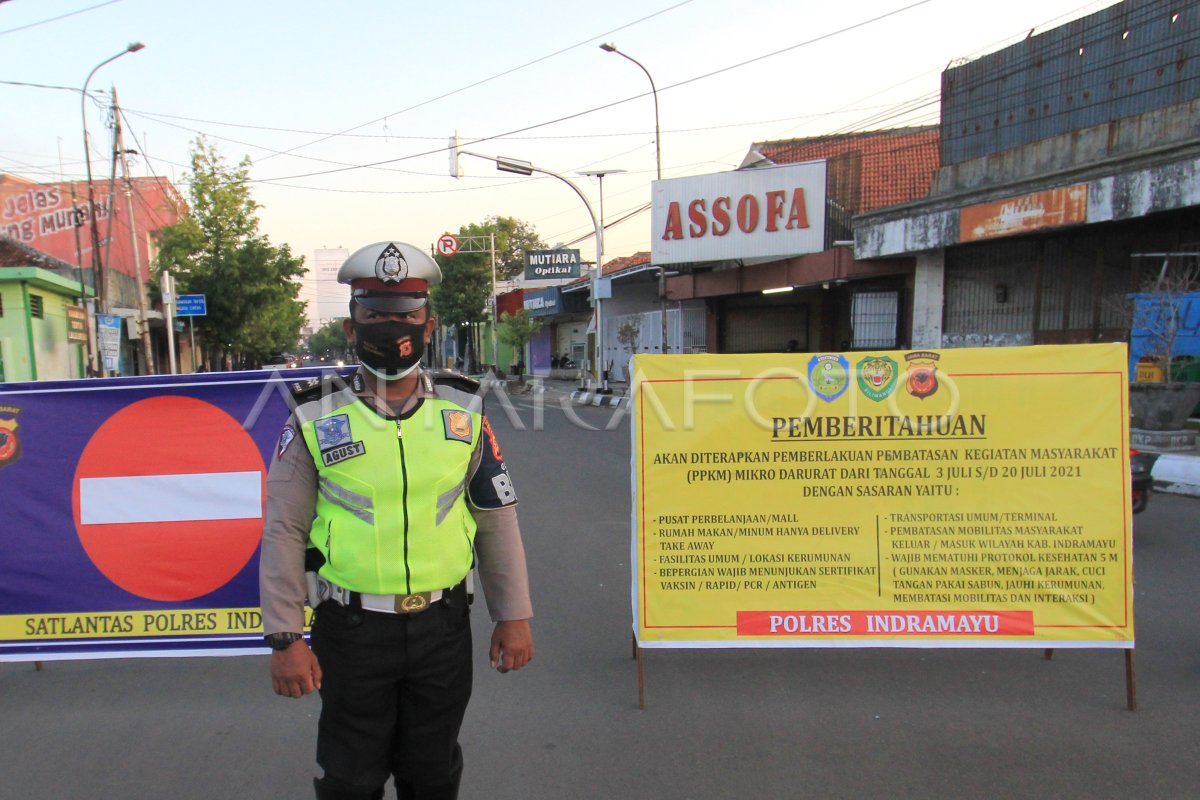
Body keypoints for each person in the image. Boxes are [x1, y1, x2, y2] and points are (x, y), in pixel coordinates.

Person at [260, 240, 534, 800]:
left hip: (443, 626)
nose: (392, 327)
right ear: (351, 328)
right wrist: (285, 637)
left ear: (428, 326)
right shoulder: (314, 414)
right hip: (352, 630)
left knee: (432, 776)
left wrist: (514, 616)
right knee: (350, 780)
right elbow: (284, 529)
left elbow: (495, 517)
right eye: (376, 316)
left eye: (406, 316)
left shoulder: (464, 409)